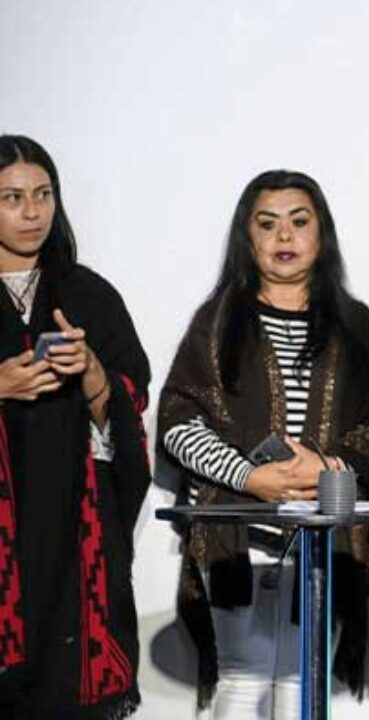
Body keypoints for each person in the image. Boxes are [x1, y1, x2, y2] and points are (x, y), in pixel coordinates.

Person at [158, 170, 369, 718]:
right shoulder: (219, 321)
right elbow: (178, 422)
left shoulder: (354, 324)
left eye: (299, 222)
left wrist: (328, 468)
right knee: (242, 679)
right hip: (237, 535)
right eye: (267, 225)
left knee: (303, 681)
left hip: (327, 537)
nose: (284, 237)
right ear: (247, 238)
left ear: (321, 233)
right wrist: (250, 477)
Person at [0, 135, 151, 718]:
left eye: (44, 195)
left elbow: (131, 397)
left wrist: (91, 373)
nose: (32, 212)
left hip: (74, 538)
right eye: (13, 197)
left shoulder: (88, 294)